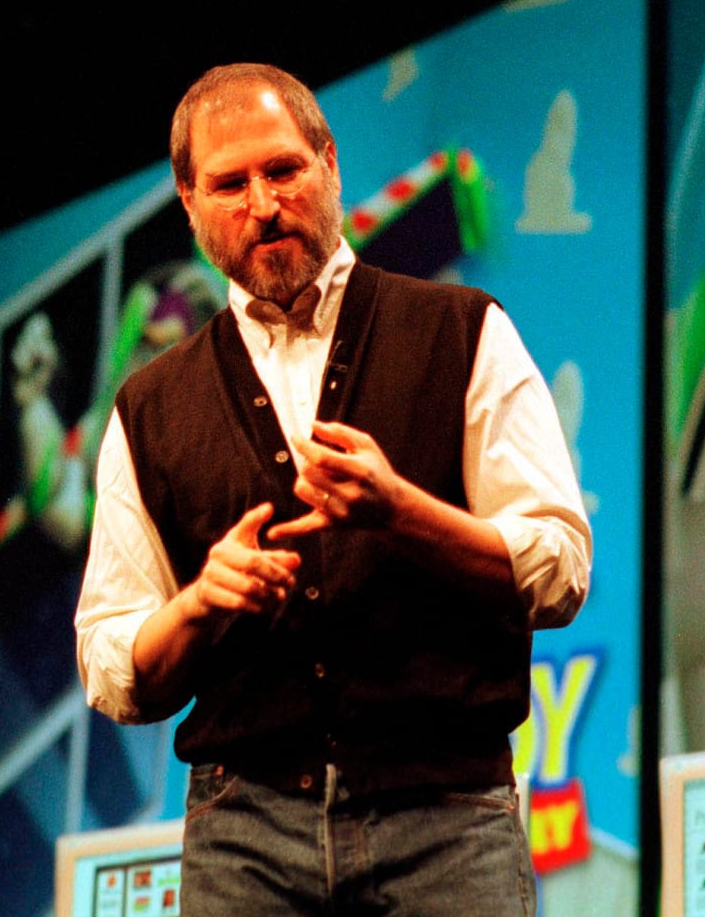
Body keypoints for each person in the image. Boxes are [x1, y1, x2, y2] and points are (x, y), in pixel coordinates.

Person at [75, 62, 592, 916]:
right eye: (229, 184)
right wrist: (200, 603)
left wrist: (402, 513)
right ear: (190, 201)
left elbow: (561, 568)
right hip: (243, 832)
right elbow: (111, 663)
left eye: (283, 169)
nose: (263, 204)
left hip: (445, 813)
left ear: (329, 162)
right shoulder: (149, 407)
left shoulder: (463, 331)